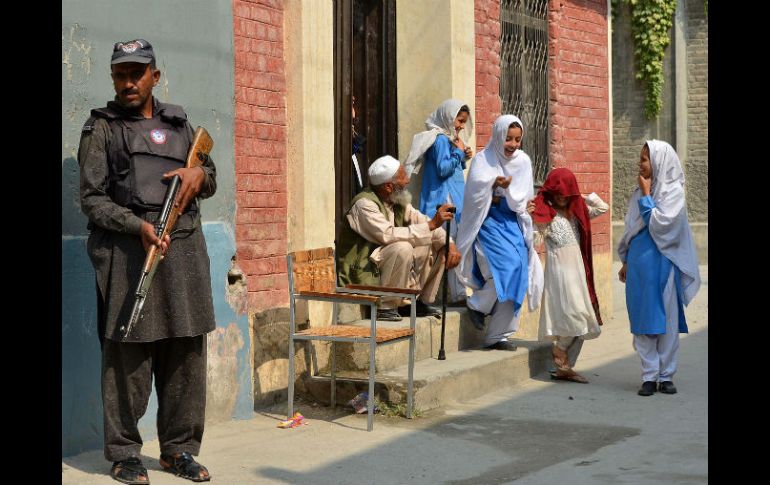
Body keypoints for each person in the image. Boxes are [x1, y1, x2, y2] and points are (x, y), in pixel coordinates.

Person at [78, 39, 215, 483]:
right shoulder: (102, 128)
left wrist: (199, 173)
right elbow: (92, 200)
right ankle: (124, 454)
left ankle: (179, 451)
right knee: (127, 359)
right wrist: (136, 225)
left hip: (185, 251)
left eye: (137, 73)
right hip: (128, 253)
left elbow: (208, 177)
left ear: (155, 76)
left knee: (186, 355)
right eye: (121, 74)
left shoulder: (180, 123)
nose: (128, 82)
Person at [617, 140, 700, 397]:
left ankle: (666, 375)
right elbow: (631, 230)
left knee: (667, 321)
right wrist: (626, 262)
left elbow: (663, 227)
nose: (640, 164)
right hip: (641, 264)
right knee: (643, 320)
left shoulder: (673, 192)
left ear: (659, 162)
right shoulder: (638, 191)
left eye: (645, 159)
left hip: (665, 264)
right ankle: (649, 376)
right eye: (641, 158)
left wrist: (646, 197)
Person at [455, 115, 543, 350]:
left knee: (519, 271)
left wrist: (526, 205)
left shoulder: (523, 161)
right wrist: (494, 185)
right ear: (498, 135)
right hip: (488, 222)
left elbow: (523, 196)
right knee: (504, 268)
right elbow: (473, 197)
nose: (513, 144)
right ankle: (478, 304)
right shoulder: (484, 159)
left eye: (517, 139)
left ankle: (498, 335)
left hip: (512, 222)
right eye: (508, 138)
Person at [336, 155, 461, 321]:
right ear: (389, 186)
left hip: (383, 264)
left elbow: (423, 222)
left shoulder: (397, 201)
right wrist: (431, 225)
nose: (408, 180)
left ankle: (413, 302)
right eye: (403, 177)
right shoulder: (364, 205)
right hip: (363, 269)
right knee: (402, 247)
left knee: (433, 243)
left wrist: (449, 244)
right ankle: (386, 306)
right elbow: (388, 235)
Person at [530, 167, 608, 383]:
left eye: (566, 194)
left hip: (578, 271)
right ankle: (560, 350)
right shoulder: (546, 214)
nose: (562, 198)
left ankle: (564, 366)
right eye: (558, 194)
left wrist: (580, 195)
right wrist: (530, 218)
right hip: (560, 272)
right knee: (576, 314)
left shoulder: (577, 211)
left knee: (586, 317)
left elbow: (603, 207)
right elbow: (535, 240)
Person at [404, 99, 473, 304]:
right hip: (444, 200)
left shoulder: (446, 140)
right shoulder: (441, 140)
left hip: (451, 199)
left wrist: (462, 157)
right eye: (459, 121)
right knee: (446, 247)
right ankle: (446, 294)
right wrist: (459, 153)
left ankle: (456, 293)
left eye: (463, 122)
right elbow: (443, 170)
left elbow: (450, 169)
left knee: (450, 247)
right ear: (448, 118)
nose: (460, 126)